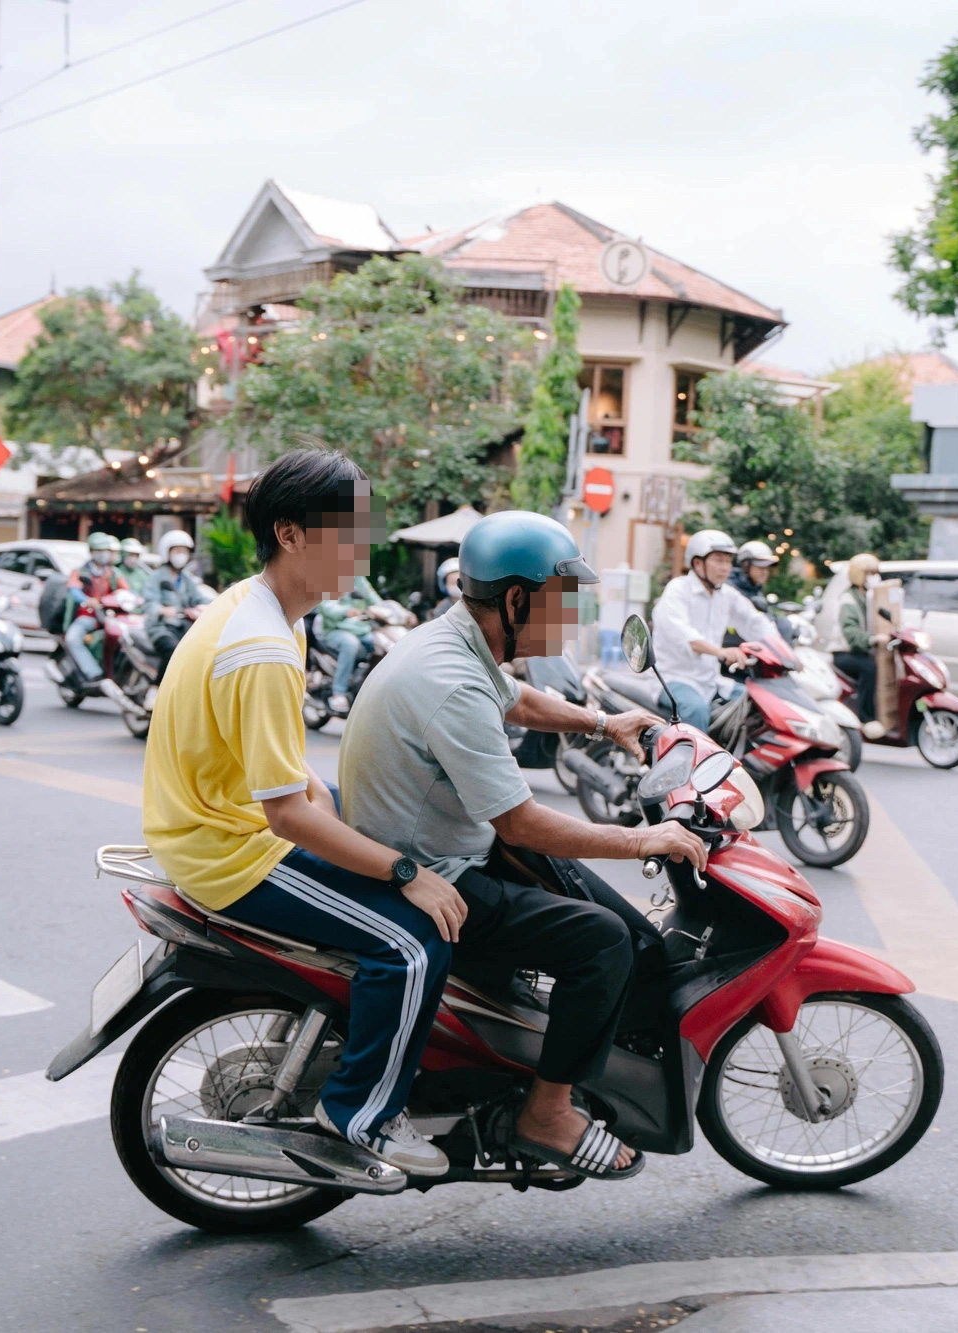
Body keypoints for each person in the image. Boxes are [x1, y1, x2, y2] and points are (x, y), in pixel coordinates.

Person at [341, 510, 705, 1181]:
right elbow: (522, 824)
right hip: (433, 877)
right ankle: (547, 1109)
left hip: (445, 846)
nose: (568, 622)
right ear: (515, 600)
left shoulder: (458, 644)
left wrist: (604, 721)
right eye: (562, 603)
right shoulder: (450, 681)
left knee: (636, 937)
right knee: (606, 943)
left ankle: (558, 1051)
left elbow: (518, 702)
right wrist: (644, 837)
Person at [141, 447, 459, 1177]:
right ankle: (362, 1116)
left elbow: (287, 777)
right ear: (291, 534)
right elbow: (284, 813)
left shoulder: (272, 608)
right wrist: (405, 871)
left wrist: (364, 828)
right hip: (231, 850)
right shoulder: (263, 646)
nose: (365, 547)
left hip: (226, 818)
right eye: (349, 530)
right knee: (412, 943)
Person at [650, 529, 778, 727]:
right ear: (697, 563)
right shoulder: (678, 589)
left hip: (710, 681)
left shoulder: (726, 595)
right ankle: (695, 759)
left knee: (755, 701)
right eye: (718, 560)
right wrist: (720, 651)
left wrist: (784, 651)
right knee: (696, 710)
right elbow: (685, 635)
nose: (725, 567)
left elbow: (754, 621)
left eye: (728, 561)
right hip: (672, 679)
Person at [819, 552, 888, 740]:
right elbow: (850, 631)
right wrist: (872, 639)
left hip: (858, 650)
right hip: (843, 653)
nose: (874, 577)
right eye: (869, 573)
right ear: (859, 575)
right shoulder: (848, 599)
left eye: (874, 573)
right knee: (869, 668)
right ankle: (866, 719)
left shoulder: (867, 596)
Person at [64, 533, 131, 685]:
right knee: (72, 639)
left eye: (105, 551)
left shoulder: (113, 573)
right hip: (87, 617)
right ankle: (93, 673)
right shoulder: (81, 571)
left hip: (110, 617)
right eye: (99, 550)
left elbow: (127, 590)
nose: (103, 554)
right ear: (91, 552)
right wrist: (87, 601)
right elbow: (73, 590)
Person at [141, 530, 205, 663]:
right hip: (160, 627)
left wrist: (204, 606)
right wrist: (161, 610)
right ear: (166, 552)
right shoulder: (156, 576)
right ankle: (160, 684)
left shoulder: (187, 578)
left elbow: (199, 598)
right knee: (174, 651)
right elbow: (149, 602)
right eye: (177, 552)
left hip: (183, 625)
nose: (181, 556)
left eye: (184, 552)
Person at [313, 584, 374, 715]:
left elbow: (372, 596)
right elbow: (327, 606)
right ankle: (339, 692)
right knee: (350, 644)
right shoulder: (332, 576)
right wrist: (345, 611)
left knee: (381, 641)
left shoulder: (358, 577)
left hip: (360, 629)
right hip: (336, 630)